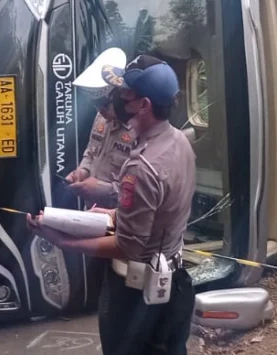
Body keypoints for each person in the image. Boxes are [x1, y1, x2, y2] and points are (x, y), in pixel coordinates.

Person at [28, 55, 196, 355]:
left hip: (137, 297)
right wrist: (113, 213)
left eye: (125, 94)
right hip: (175, 284)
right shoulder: (179, 142)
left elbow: (129, 246)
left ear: (143, 105)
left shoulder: (141, 166)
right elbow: (160, 209)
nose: (117, 100)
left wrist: (63, 240)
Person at [65, 47, 133, 207]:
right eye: (95, 105)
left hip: (120, 217)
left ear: (120, 97)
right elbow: (91, 153)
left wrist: (103, 190)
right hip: (92, 209)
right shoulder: (101, 119)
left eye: (104, 105)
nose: (100, 111)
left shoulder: (141, 130)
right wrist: (82, 172)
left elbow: (142, 193)